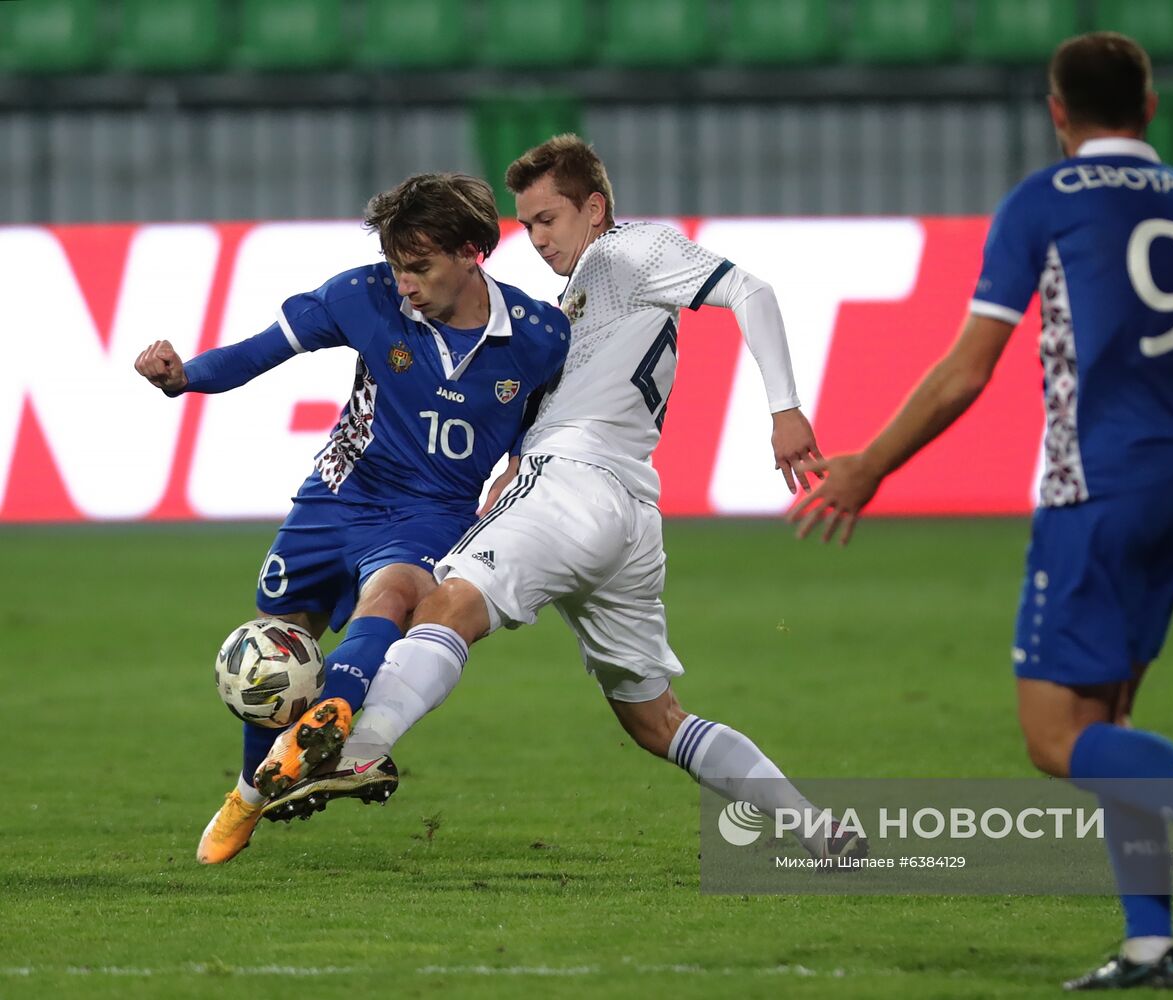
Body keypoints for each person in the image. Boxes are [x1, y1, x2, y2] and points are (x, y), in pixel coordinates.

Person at [789, 32, 1173, 991]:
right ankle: (1151, 947)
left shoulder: (1044, 200)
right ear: (1151, 107)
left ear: (1058, 111)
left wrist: (870, 463)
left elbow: (967, 368)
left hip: (1097, 487)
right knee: (1111, 721)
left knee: (1055, 738)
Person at [258, 134, 862, 862]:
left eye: (548, 219)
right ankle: (816, 827)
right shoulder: (580, 297)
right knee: (656, 721)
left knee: (440, 601)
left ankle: (361, 746)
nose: (536, 238)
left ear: (595, 207)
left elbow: (751, 291)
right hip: (629, 513)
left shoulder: (625, 252)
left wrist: (786, 409)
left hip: (573, 480)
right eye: (527, 223)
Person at [135, 172, 569, 865]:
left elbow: (545, 427)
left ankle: (318, 733)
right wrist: (185, 376)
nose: (405, 283)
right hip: (339, 493)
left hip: (432, 512)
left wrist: (519, 468)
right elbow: (259, 351)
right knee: (276, 649)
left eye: (420, 267)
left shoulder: (542, 336)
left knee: (396, 597)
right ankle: (253, 789)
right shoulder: (363, 295)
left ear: (470, 252)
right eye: (398, 266)